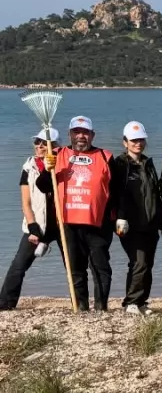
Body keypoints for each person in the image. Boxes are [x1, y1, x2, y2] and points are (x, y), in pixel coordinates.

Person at [53, 115, 114, 312]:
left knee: (100, 268)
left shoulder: (106, 156)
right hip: (68, 223)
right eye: (76, 132)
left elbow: (117, 191)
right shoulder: (57, 155)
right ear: (69, 135)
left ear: (92, 135)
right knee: (75, 268)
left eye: (85, 133)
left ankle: (101, 306)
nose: (81, 136)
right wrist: (47, 169)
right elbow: (44, 186)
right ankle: (80, 306)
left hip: (98, 223)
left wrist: (117, 217)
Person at [110, 122, 162, 313]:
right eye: (134, 140)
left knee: (148, 264)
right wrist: (119, 217)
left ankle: (142, 301)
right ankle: (131, 302)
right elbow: (115, 193)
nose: (138, 144)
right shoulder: (119, 164)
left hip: (150, 223)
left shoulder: (147, 163)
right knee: (139, 262)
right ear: (125, 142)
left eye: (141, 140)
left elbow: (155, 193)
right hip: (128, 224)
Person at [0, 129, 62, 310]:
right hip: (38, 225)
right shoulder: (29, 167)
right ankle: (5, 304)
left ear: (55, 147)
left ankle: (80, 304)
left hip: (61, 225)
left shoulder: (63, 165)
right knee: (19, 265)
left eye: (44, 143)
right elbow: (25, 202)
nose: (39, 146)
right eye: (37, 142)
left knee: (74, 267)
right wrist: (32, 226)